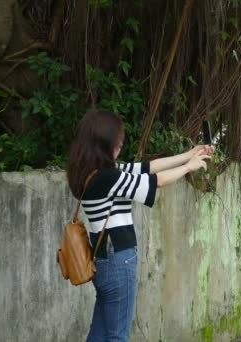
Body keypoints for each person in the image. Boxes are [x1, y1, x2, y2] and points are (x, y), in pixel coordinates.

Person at [66, 110, 213, 341]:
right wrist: (189, 167)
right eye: (118, 142)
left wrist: (188, 155)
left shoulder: (92, 174)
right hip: (118, 262)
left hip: (103, 262)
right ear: (104, 144)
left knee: (101, 332)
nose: (120, 147)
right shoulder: (108, 178)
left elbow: (149, 167)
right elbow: (157, 181)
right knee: (117, 336)